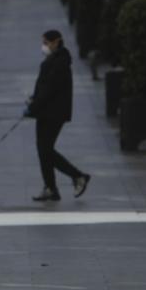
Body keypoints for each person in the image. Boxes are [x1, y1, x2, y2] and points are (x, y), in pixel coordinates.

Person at [26, 29, 92, 202]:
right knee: (43, 150)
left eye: (47, 43)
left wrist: (34, 105)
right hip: (46, 111)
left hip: (52, 113)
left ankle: (77, 176)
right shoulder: (54, 60)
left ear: (56, 42)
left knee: (45, 150)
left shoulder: (59, 62)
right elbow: (44, 87)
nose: (44, 46)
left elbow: (49, 89)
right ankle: (51, 188)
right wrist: (34, 100)